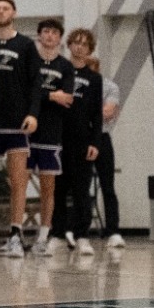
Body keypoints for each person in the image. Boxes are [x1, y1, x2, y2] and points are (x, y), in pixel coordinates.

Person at [0, 0, 41, 256]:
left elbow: (36, 84)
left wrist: (33, 114)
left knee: (18, 181)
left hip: (17, 122)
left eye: (5, 8)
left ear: (14, 13)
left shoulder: (26, 45)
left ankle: (16, 235)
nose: (1, 11)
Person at [28, 18, 77, 256]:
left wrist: (43, 95)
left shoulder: (66, 67)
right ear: (39, 36)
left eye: (54, 32)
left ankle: (44, 235)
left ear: (59, 38)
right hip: (27, 130)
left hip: (51, 131)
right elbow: (27, 92)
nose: (49, 36)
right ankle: (15, 234)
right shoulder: (30, 61)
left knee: (48, 188)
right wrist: (50, 95)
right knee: (18, 183)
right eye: (45, 31)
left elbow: (67, 98)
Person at [60, 29, 106, 256]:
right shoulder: (59, 71)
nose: (79, 47)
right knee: (59, 189)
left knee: (81, 190)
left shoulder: (94, 79)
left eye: (84, 44)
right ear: (69, 45)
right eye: (75, 43)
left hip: (82, 139)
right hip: (59, 138)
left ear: (89, 49)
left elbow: (97, 114)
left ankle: (82, 235)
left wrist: (95, 142)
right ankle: (57, 234)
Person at [94, 73, 127, 248]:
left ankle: (113, 230)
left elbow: (108, 112)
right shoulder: (71, 82)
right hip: (79, 137)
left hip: (102, 136)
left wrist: (83, 111)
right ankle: (74, 230)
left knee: (108, 185)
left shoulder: (110, 86)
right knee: (77, 186)